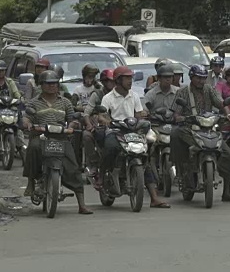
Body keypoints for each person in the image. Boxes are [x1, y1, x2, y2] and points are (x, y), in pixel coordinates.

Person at [22, 70, 92, 214]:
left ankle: (82, 204)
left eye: (54, 83)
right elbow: (26, 117)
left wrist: (72, 126)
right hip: (41, 136)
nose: (52, 86)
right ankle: (31, 181)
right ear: (41, 85)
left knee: (73, 167)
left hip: (61, 137)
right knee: (33, 148)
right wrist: (28, 124)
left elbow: (72, 118)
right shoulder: (35, 102)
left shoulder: (65, 102)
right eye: (48, 84)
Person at [100, 66, 170, 208]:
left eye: (131, 78)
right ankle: (105, 175)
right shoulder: (108, 98)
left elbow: (138, 114)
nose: (130, 81)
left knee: (144, 158)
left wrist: (143, 118)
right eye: (127, 78)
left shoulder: (134, 96)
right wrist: (106, 120)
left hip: (132, 131)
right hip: (115, 131)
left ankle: (154, 198)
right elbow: (102, 115)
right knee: (110, 147)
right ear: (118, 80)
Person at [170, 65, 230, 202]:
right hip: (190, 128)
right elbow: (176, 114)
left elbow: (220, 103)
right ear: (191, 77)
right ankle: (181, 170)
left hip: (208, 128)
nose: (201, 81)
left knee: (229, 154)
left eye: (203, 78)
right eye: (198, 78)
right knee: (175, 133)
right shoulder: (183, 92)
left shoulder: (209, 89)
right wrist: (180, 118)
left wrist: (229, 114)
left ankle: (227, 192)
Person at [83, 68, 116, 177]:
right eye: (108, 81)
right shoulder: (97, 94)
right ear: (103, 82)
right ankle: (94, 163)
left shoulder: (121, 94)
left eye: (113, 81)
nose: (111, 84)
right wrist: (89, 124)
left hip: (117, 125)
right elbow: (87, 112)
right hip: (99, 125)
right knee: (87, 136)